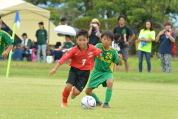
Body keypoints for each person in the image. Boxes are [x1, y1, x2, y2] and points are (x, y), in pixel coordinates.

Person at [48, 29, 102, 107]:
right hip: (74, 70)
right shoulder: (74, 50)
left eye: (84, 40)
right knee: (68, 86)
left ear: (88, 40)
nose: (82, 42)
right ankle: (64, 102)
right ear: (76, 40)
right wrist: (55, 68)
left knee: (76, 92)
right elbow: (63, 59)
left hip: (85, 72)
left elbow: (99, 53)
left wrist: (100, 55)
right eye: (80, 40)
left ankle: (74, 93)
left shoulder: (92, 48)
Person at [85, 30, 122, 108]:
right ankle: (98, 101)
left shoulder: (113, 51)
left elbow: (119, 63)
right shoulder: (98, 46)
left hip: (107, 72)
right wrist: (97, 54)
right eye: (104, 39)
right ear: (101, 39)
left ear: (111, 41)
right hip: (97, 71)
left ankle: (106, 103)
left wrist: (120, 60)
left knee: (110, 82)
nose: (106, 41)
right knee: (87, 91)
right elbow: (91, 53)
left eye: (108, 40)